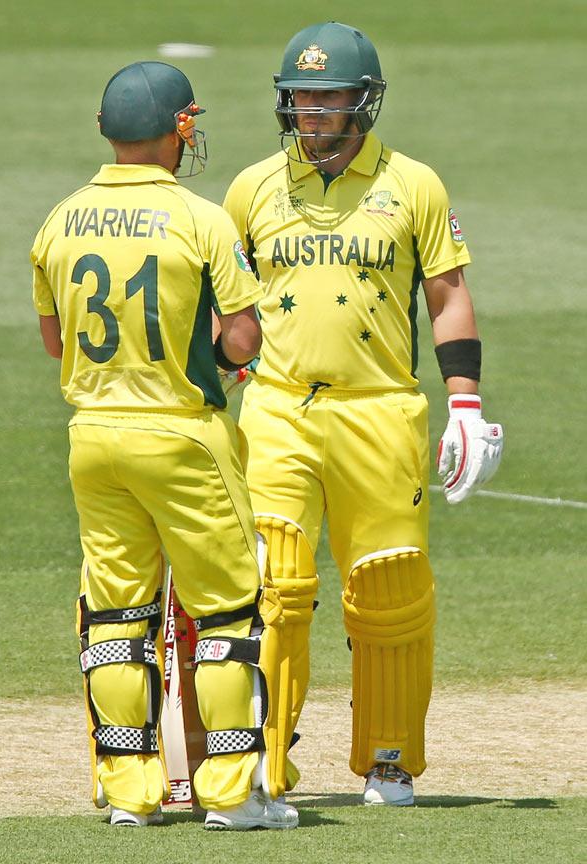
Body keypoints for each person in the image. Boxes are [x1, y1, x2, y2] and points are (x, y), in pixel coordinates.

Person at [223, 22, 503, 807]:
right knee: (274, 586)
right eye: (300, 98)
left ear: (363, 102)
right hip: (277, 408)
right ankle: (259, 763)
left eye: (328, 97)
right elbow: (226, 307)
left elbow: (447, 297)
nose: (313, 113)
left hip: (381, 412)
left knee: (390, 592)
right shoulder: (251, 188)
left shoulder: (414, 185)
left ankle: (389, 759)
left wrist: (467, 405)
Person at [30, 60, 298, 830]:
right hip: (182, 435)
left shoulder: (59, 219)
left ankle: (130, 796)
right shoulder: (202, 218)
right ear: (179, 129)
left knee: (116, 616)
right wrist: (222, 353)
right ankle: (233, 795)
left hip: (92, 439)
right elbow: (243, 337)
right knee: (228, 614)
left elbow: (55, 343)